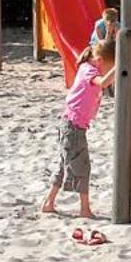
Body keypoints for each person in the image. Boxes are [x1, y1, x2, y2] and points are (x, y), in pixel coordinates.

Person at [40, 35, 117, 220]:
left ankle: (49, 203)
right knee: (83, 167)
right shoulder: (89, 71)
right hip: (73, 127)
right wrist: (119, 65)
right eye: (108, 65)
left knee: (63, 165)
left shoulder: (88, 67)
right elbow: (103, 82)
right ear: (99, 61)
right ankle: (84, 209)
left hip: (71, 125)